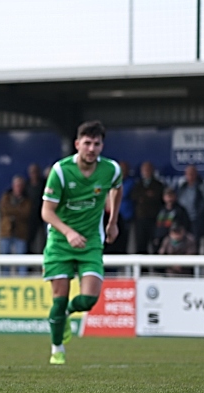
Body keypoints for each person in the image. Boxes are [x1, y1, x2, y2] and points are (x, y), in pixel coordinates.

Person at [41, 120, 122, 365]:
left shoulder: (111, 169)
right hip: (60, 242)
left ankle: (67, 314)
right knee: (59, 298)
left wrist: (113, 221)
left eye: (96, 144)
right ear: (77, 144)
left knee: (88, 300)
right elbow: (47, 212)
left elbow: (117, 189)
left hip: (91, 241)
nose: (92, 148)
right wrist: (68, 233)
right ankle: (57, 349)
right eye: (87, 143)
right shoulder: (61, 171)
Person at [176, 164, 204, 253]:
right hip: (184, 220)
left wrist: (203, 215)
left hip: (196, 220)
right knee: (182, 243)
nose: (190, 176)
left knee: (195, 245)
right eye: (188, 174)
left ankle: (195, 266)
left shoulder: (201, 187)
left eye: (192, 174)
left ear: (196, 174)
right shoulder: (183, 187)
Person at [0, 174, 31, 275]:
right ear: (13, 186)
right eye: (17, 185)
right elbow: (4, 209)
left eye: (20, 185)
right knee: (4, 258)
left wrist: (12, 211)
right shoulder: (6, 196)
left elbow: (26, 213)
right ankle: (4, 279)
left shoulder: (26, 199)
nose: (18, 188)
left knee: (21, 259)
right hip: (6, 231)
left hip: (20, 232)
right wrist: (17, 211)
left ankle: (22, 279)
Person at [130, 161, 164, 254]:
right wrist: (146, 195)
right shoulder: (138, 185)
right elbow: (134, 196)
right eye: (144, 170)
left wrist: (144, 197)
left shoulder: (158, 185)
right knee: (141, 244)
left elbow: (159, 198)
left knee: (156, 244)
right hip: (140, 219)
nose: (146, 172)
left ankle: (157, 268)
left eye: (148, 170)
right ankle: (142, 268)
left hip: (154, 219)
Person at [152, 187, 191, 254]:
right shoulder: (160, 209)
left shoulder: (180, 210)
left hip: (172, 241)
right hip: (159, 239)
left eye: (171, 196)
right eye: (167, 196)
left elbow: (184, 225)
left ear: (175, 196)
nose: (169, 198)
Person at [25, 163, 46, 254]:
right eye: (32, 172)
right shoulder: (27, 185)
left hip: (43, 214)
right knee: (29, 239)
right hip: (30, 216)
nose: (34, 174)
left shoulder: (44, 183)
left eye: (36, 172)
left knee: (44, 238)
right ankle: (29, 264)